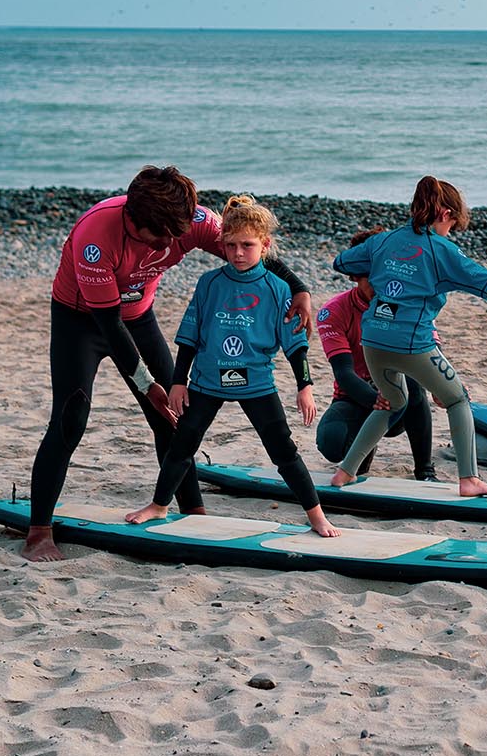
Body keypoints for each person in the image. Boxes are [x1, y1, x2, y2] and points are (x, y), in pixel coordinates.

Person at [24, 166, 316, 561]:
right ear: (134, 219)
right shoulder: (97, 235)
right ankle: (38, 531)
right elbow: (109, 326)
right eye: (159, 237)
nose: (168, 244)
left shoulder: (191, 220)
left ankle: (193, 512)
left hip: (138, 316)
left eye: (175, 236)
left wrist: (298, 289)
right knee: (70, 418)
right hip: (83, 321)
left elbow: (250, 252)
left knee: (174, 417)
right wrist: (147, 385)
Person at [329, 176, 487, 497]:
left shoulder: (383, 240)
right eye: (452, 223)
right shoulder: (442, 250)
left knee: (392, 402)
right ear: (444, 213)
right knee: (457, 399)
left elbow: (342, 261)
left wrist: (387, 263)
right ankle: (469, 479)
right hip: (412, 343)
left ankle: (345, 472)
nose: (451, 230)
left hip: (373, 341)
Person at [124, 196, 339, 536]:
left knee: (284, 453)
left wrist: (305, 386)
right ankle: (159, 505)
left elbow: (295, 344)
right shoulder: (209, 283)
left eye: (247, 246)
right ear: (221, 243)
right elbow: (189, 337)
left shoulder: (277, 288)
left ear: (264, 245)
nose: (238, 253)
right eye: (231, 245)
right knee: (182, 446)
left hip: (256, 382)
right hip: (207, 381)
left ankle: (317, 517)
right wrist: (179, 381)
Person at [316, 228, 437, 481]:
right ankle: (364, 452)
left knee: (415, 380)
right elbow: (343, 373)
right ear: (354, 276)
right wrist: (376, 399)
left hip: (402, 399)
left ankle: (425, 471)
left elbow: (432, 354)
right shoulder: (334, 312)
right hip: (356, 397)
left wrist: (441, 386)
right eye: (373, 277)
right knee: (331, 442)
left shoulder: (409, 305)